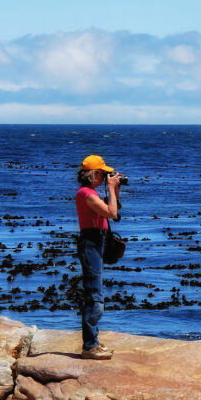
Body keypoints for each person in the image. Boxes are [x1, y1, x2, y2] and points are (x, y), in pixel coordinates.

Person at [75, 154, 122, 359]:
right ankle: (89, 346)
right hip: (91, 242)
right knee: (95, 295)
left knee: (95, 292)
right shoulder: (86, 194)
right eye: (102, 174)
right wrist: (110, 189)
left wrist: (116, 191)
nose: (104, 177)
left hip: (97, 241)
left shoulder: (91, 192)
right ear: (93, 174)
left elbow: (115, 212)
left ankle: (92, 341)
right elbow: (111, 213)